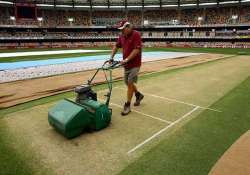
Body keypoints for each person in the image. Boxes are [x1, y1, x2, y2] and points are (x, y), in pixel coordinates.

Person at [110, 20, 144, 116]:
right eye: (120, 30)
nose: (121, 31)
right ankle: (138, 95)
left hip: (135, 64)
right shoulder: (121, 36)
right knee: (127, 82)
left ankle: (127, 105)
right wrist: (111, 57)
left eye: (123, 29)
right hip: (126, 64)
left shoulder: (136, 34)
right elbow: (116, 46)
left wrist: (127, 59)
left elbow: (137, 50)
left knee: (129, 83)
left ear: (128, 27)